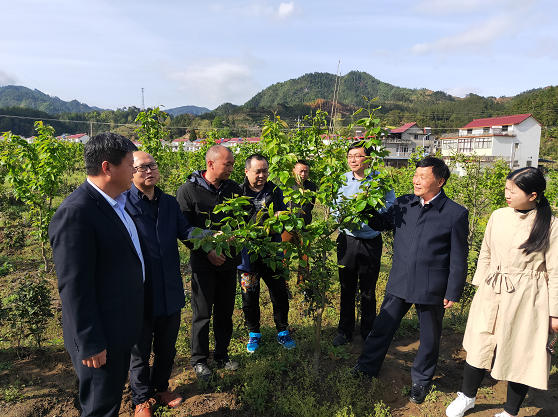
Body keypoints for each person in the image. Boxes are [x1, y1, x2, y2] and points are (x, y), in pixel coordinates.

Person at [352, 157, 469, 405]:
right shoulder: (404, 203)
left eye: (423, 177)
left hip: (432, 284)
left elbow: (459, 257)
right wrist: (364, 205)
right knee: (382, 327)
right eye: (415, 175)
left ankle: (421, 381)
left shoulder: (455, 213)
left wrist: (453, 290)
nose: (416, 180)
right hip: (400, 279)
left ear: (440, 181)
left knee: (429, 337)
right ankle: (366, 367)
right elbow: (381, 223)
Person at [445, 167, 558, 417]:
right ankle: (467, 397)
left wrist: (554, 313)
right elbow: (485, 253)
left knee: (522, 351)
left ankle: (509, 411)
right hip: (491, 289)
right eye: (506, 188)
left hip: (528, 297)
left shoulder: (550, 225)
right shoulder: (498, 215)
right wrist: (480, 288)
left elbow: (556, 271)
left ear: (533, 195)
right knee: (479, 343)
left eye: (513, 190)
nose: (507, 194)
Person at [49, 133, 148, 417]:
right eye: (131, 165)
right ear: (108, 168)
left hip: (117, 328)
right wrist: (91, 343)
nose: (135, 171)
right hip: (99, 338)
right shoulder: (77, 212)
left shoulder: (115, 203)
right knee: (99, 408)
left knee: (109, 400)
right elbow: (74, 286)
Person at [126, 152, 196, 416]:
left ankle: (160, 388)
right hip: (140, 290)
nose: (149, 171)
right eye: (142, 167)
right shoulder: (124, 204)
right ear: (130, 172)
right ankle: (141, 399)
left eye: (152, 166)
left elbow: (185, 231)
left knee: (167, 346)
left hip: (169, 287)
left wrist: (211, 236)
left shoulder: (168, 203)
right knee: (139, 350)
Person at [176, 145, 242, 381]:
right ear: (211, 164)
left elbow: (241, 219)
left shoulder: (234, 188)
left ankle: (221, 355)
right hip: (204, 264)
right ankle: (199, 360)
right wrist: (208, 253)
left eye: (233, 164)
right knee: (202, 313)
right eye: (228, 164)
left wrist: (239, 234)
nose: (232, 168)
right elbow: (183, 230)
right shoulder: (188, 191)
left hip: (229, 260)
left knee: (225, 311)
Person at [332, 142, 396, 347]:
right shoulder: (341, 180)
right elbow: (334, 207)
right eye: (350, 156)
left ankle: (368, 330)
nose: (352, 160)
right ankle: (345, 331)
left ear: (367, 159)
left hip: (370, 241)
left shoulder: (379, 180)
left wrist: (373, 216)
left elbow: (390, 207)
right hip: (347, 240)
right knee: (346, 287)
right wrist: (342, 218)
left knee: (368, 290)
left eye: (357, 156)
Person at [238, 154, 296, 353]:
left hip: (273, 254)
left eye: (265, 171)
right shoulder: (238, 192)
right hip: (248, 256)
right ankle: (254, 334)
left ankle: (282, 331)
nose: (262, 175)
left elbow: (285, 216)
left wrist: (282, 216)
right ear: (247, 171)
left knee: (279, 294)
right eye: (257, 171)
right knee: (249, 297)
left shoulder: (275, 190)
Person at [281, 160, 317, 288]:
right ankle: (283, 285)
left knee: (305, 256)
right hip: (288, 228)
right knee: (285, 257)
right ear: (294, 171)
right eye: (300, 171)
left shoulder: (312, 187)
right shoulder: (285, 186)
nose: (303, 174)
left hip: (305, 228)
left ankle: (302, 283)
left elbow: (311, 206)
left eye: (306, 171)